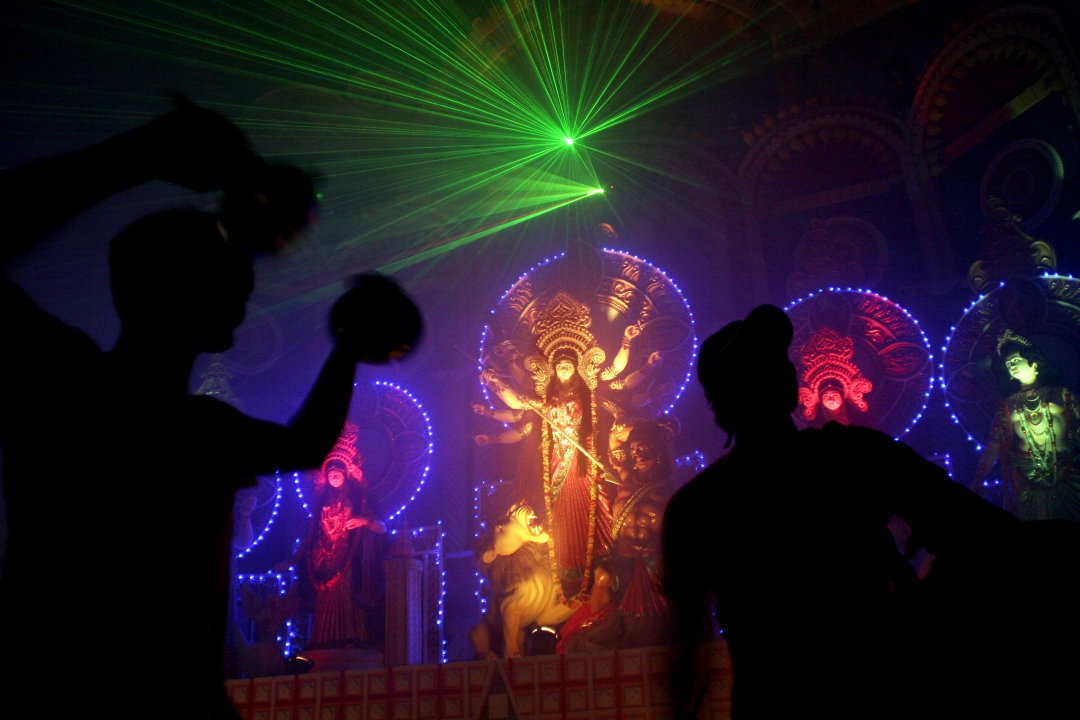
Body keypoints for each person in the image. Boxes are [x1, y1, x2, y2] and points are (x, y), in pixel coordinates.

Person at [0, 98, 422, 719]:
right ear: (183, 291)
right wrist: (348, 348)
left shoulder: (62, 380)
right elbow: (305, 443)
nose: (246, 269)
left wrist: (141, 155)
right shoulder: (186, 425)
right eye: (225, 258)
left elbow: (305, 445)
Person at [660, 304, 1024, 720]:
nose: (781, 374)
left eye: (775, 363)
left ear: (719, 406)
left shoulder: (698, 506)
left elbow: (685, 667)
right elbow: (993, 535)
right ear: (792, 385)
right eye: (768, 367)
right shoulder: (857, 457)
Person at [972, 329, 1080, 520]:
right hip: (1026, 479)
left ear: (1034, 363)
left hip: (1068, 474)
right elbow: (995, 443)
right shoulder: (1008, 405)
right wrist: (978, 479)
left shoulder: (1062, 395)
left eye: (1016, 360)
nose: (1011, 365)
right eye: (1008, 364)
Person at [297, 423, 386, 650]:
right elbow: (311, 534)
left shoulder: (360, 500)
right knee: (325, 599)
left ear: (346, 474)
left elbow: (382, 527)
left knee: (347, 595)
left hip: (349, 556)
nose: (334, 477)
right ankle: (324, 641)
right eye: (330, 474)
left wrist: (363, 521)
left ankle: (351, 637)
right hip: (324, 558)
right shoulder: (321, 504)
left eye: (337, 473)